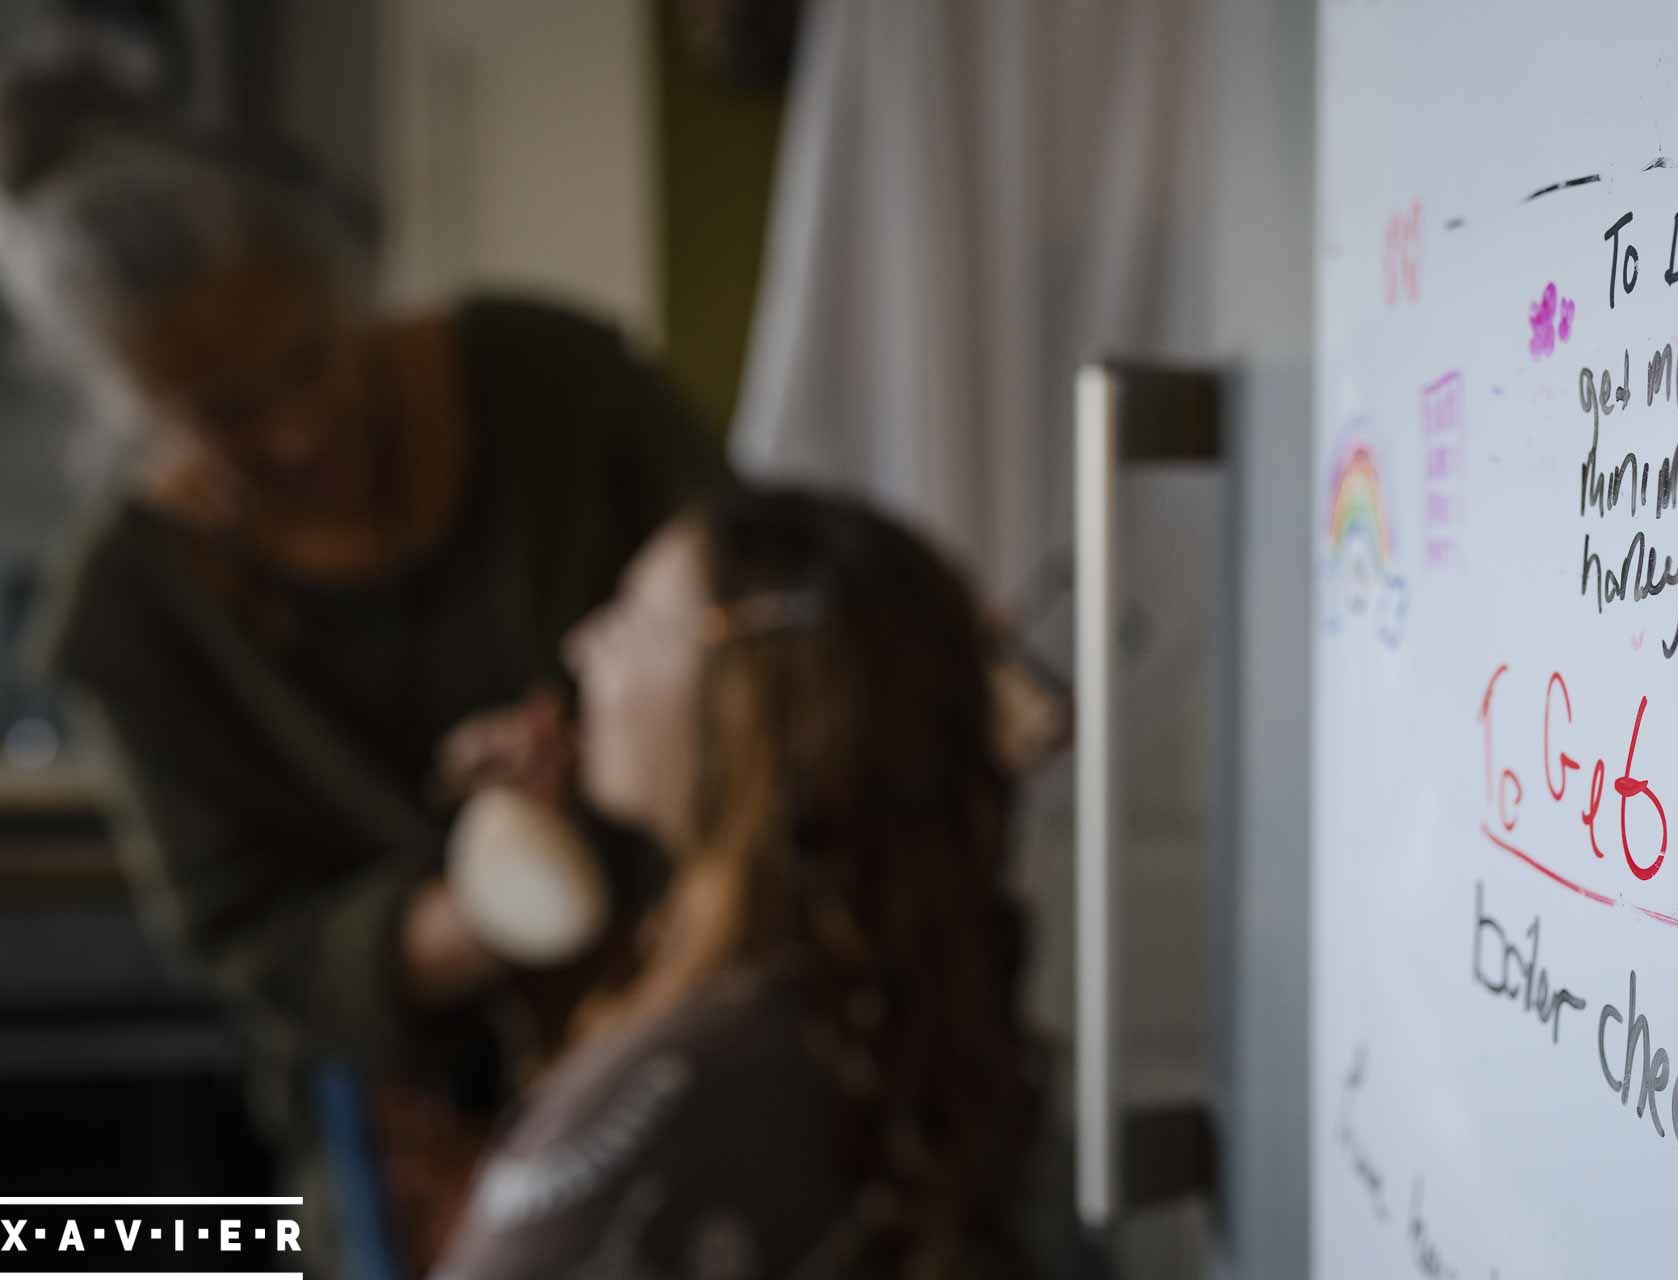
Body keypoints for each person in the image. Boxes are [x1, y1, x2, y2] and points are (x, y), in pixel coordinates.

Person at [0, 24, 727, 1273]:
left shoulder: (553, 384)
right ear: (124, 421)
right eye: (223, 414)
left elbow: (747, 602)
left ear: (341, 283)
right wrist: (493, 898)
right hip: (417, 1126)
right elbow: (258, 942)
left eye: (305, 361)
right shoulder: (127, 611)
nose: (295, 433)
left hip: (699, 1009)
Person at [431, 487, 1044, 1279]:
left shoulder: (683, 1079)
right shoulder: (875, 1014)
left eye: (631, 619)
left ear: (754, 694)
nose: (584, 648)